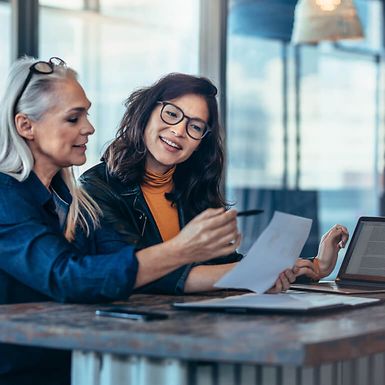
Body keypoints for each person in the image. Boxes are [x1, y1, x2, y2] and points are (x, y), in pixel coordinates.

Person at [0, 57, 245, 385]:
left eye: (86, 114)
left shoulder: (74, 201)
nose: (89, 127)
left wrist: (266, 270)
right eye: (74, 118)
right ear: (26, 126)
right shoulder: (6, 195)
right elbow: (67, 277)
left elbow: (125, 263)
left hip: (76, 364)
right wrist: (183, 249)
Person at [79, 72, 349, 294]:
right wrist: (254, 273)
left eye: (195, 127)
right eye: (172, 114)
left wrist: (314, 267)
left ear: (200, 143)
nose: (179, 131)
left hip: (196, 325)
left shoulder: (192, 189)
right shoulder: (96, 188)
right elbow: (140, 273)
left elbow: (224, 265)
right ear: (146, 113)